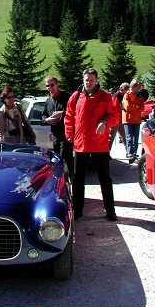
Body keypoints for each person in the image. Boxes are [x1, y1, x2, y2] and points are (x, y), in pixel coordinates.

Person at [64, 68, 120, 221]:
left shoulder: (105, 97)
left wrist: (105, 122)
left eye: (91, 80)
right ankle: (78, 211)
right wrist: (69, 133)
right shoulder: (76, 97)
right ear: (83, 80)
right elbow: (69, 116)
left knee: (105, 179)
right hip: (81, 144)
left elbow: (115, 116)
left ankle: (110, 210)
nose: (88, 83)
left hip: (99, 144)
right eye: (86, 80)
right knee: (78, 179)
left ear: (96, 80)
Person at [41, 75, 73, 177]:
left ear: (57, 84)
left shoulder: (66, 96)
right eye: (47, 86)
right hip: (55, 133)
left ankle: (69, 177)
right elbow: (43, 115)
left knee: (66, 156)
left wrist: (62, 113)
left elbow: (74, 112)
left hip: (66, 132)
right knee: (57, 156)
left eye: (52, 85)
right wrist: (47, 120)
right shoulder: (48, 100)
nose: (50, 88)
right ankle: (59, 177)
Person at [122, 78, 145, 163]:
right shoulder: (127, 95)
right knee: (129, 137)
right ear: (133, 86)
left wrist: (134, 107)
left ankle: (134, 153)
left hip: (136, 119)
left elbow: (142, 108)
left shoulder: (140, 96)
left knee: (136, 138)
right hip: (128, 119)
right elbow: (127, 107)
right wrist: (137, 107)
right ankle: (130, 153)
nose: (139, 89)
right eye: (137, 87)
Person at [109, 82, 130, 152]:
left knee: (124, 137)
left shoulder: (123, 96)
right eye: (127, 90)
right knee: (111, 138)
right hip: (115, 120)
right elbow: (114, 108)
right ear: (124, 89)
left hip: (121, 120)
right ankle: (106, 153)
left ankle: (128, 152)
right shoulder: (116, 96)